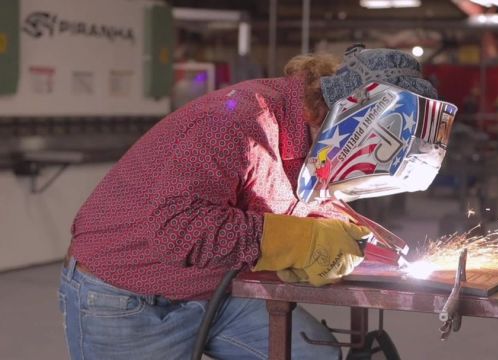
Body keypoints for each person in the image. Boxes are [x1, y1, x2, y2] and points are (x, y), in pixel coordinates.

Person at [58, 46, 437, 360]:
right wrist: (297, 242)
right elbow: (178, 228)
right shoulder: (236, 123)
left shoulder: (310, 132)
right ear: (341, 116)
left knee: (314, 355)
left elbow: (296, 196)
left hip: (215, 289)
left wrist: (357, 239)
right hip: (129, 294)